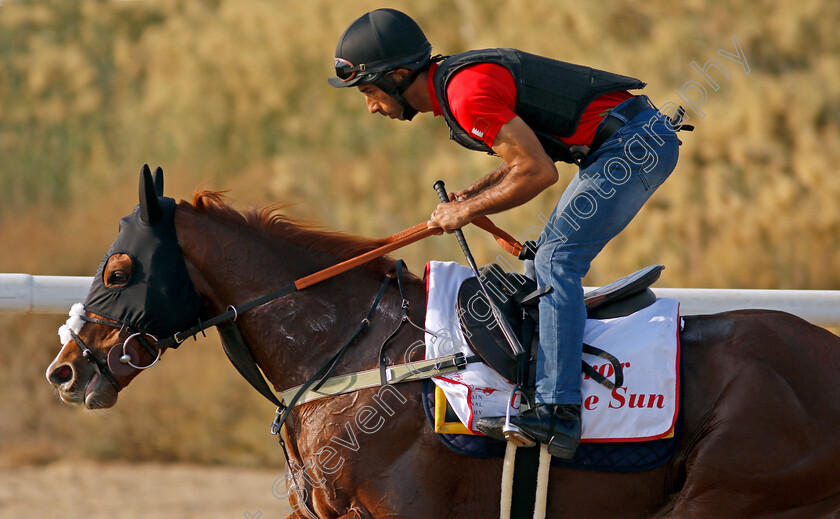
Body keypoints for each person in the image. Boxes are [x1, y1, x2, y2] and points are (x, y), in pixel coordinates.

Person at [328, 8, 681, 459]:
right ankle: (542, 391)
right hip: (623, 141)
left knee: (557, 262)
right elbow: (522, 161)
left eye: (371, 91)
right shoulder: (454, 85)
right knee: (541, 262)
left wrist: (467, 210)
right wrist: (469, 197)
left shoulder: (465, 94)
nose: (372, 106)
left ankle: (558, 412)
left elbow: (537, 172)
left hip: (631, 146)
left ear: (398, 76)